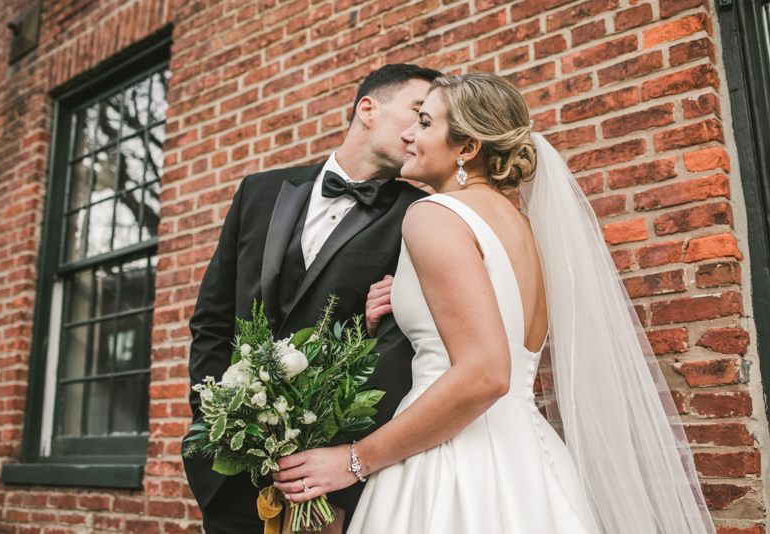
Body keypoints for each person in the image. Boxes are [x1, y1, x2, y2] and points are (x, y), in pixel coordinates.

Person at [272, 72, 717, 534]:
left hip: (451, 465)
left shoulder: (432, 215)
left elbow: (485, 373)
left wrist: (353, 460)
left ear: (467, 149)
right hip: (527, 459)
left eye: (424, 123)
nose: (408, 133)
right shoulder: (522, 228)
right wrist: (400, 301)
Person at [182, 63, 442, 534]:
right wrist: (209, 432)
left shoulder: (420, 215)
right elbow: (213, 321)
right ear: (368, 109)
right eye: (418, 113)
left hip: (324, 488)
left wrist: (344, 482)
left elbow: (398, 352)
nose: (421, 131)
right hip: (228, 472)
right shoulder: (258, 192)